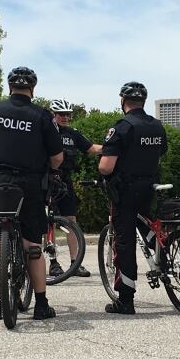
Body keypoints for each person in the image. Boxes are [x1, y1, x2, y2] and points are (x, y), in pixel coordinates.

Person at [0, 67, 63, 321]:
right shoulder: (42, 116)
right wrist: (49, 169)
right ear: (33, 89)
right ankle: (41, 305)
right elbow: (57, 157)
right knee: (32, 244)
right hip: (29, 185)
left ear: (9, 87)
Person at [98, 82, 167, 315]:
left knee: (124, 242)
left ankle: (125, 299)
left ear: (123, 101)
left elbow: (106, 166)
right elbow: (161, 153)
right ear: (144, 102)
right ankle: (165, 262)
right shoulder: (157, 126)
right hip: (150, 187)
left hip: (126, 191)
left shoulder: (122, 127)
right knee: (150, 227)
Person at [48, 98, 102, 278]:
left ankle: (75, 263)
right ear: (54, 115)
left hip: (65, 181)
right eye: (61, 114)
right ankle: (53, 262)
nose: (65, 117)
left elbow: (92, 148)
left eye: (67, 115)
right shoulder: (45, 131)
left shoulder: (72, 134)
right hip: (47, 179)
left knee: (71, 221)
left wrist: (114, 148)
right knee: (49, 222)